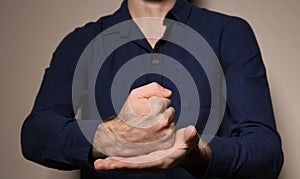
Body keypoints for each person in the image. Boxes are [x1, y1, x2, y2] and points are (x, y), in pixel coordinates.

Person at [21, 0, 284, 178]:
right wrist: (110, 137)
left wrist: (199, 154)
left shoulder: (230, 32)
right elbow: (35, 135)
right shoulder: (80, 42)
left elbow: (267, 151)